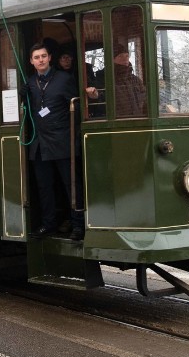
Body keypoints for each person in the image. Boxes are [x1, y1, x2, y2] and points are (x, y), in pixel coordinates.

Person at [21, 42, 85, 240]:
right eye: (36, 57)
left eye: (43, 56)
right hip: (40, 144)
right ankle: (48, 225)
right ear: (32, 61)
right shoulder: (31, 83)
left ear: (49, 58)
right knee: (44, 187)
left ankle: (78, 225)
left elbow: (76, 108)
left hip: (62, 141)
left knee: (71, 185)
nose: (40, 60)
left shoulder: (64, 79)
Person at [85, 42, 146, 118]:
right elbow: (98, 105)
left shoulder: (135, 80)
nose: (125, 59)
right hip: (116, 125)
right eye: (120, 56)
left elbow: (145, 99)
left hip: (138, 122)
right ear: (112, 59)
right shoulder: (103, 79)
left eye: (127, 55)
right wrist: (95, 96)